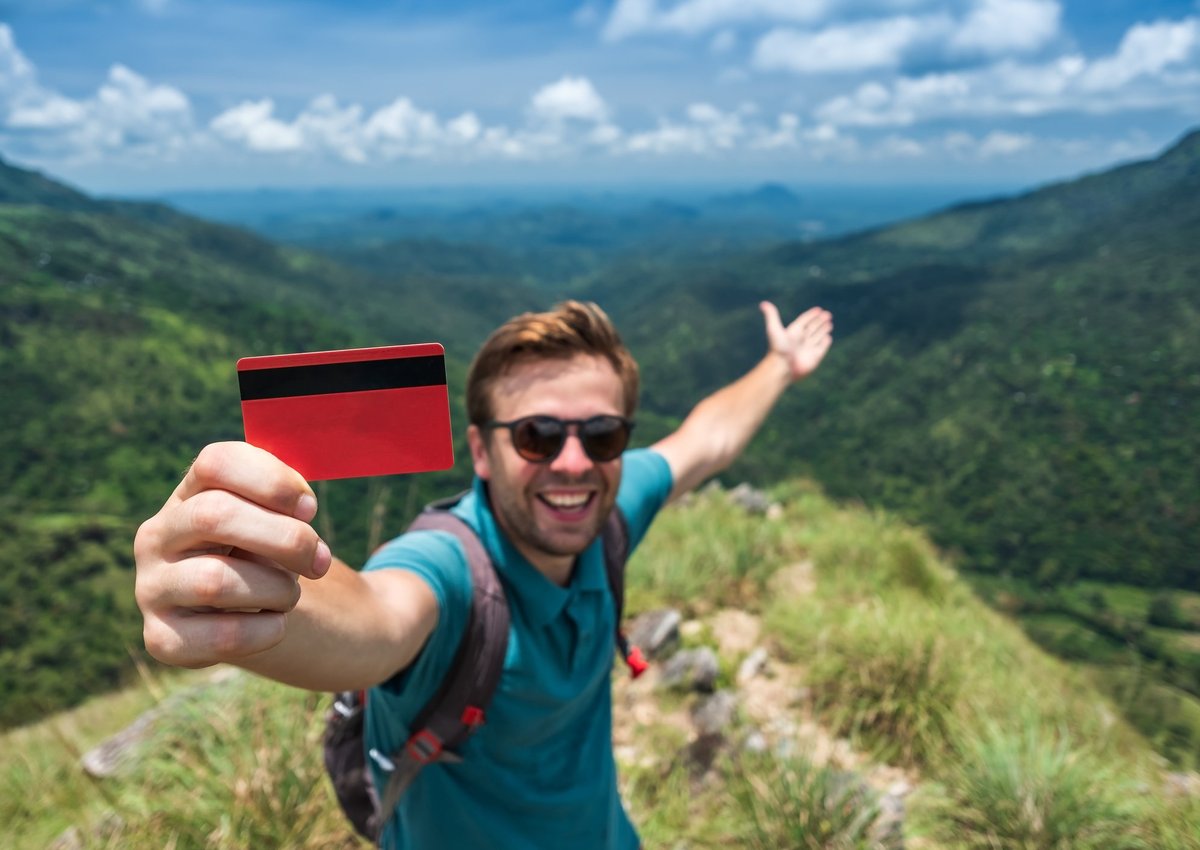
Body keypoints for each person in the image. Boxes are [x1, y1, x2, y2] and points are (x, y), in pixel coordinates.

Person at [134, 299, 833, 849]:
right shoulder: (451, 569)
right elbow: (377, 619)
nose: (572, 463)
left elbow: (707, 442)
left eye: (603, 435)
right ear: (480, 450)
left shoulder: (612, 517)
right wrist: (242, 595)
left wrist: (779, 365)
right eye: (535, 435)